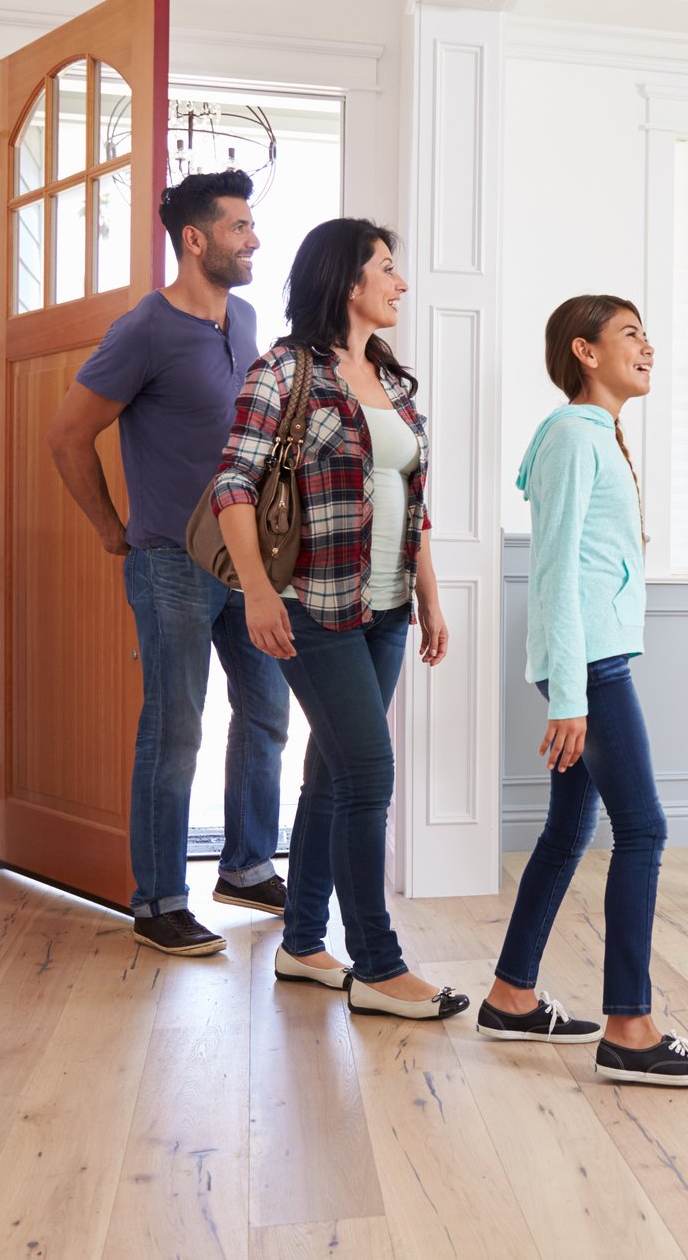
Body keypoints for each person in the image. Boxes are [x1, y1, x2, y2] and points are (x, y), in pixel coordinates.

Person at [210, 218, 461, 1020]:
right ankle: (378, 965)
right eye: (388, 268)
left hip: (384, 605)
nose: (401, 283)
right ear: (350, 280)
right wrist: (255, 591)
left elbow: (410, 500)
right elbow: (233, 485)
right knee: (367, 773)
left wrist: (426, 592)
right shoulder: (286, 369)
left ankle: (302, 942)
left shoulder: (393, 379)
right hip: (312, 605)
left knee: (329, 774)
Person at [478, 295, 688, 1085]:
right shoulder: (569, 438)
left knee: (565, 831)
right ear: (585, 352)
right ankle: (629, 1025)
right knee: (644, 831)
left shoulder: (592, 436)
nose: (646, 346)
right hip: (590, 669)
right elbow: (552, 569)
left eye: (647, 334)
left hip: (589, 662)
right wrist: (567, 694)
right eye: (629, 334)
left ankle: (510, 993)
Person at [46, 169, 289, 957]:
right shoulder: (143, 329)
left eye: (252, 226)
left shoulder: (245, 317)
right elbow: (66, 434)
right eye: (238, 227)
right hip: (171, 561)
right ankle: (157, 899)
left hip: (248, 562)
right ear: (195, 238)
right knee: (175, 728)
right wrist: (110, 527)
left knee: (266, 714)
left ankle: (248, 865)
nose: (253, 239)